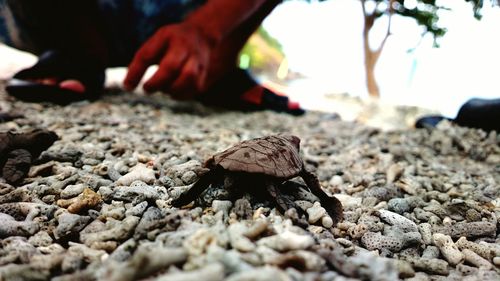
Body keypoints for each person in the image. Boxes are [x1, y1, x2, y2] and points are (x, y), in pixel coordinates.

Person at [0, 0, 304, 115]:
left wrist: (206, 30)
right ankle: (75, 46)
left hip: (200, 16)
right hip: (51, 17)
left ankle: (218, 64)